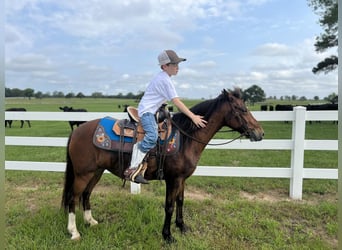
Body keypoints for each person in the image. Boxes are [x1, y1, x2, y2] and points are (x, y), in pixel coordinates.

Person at [124, 50, 207, 184]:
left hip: (152, 110)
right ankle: (132, 168)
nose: (177, 67)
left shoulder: (162, 78)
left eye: (177, 64)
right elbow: (177, 101)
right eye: (174, 64)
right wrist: (193, 117)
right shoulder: (164, 80)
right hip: (147, 113)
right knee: (151, 136)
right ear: (164, 66)